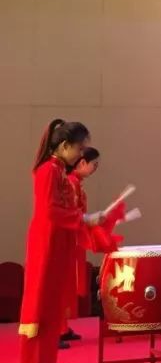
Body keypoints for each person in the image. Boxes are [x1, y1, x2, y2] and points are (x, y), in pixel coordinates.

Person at [19, 120, 91, 363]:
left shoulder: (58, 170)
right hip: (46, 243)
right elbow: (50, 210)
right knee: (41, 304)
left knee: (52, 304)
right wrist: (82, 219)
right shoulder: (48, 171)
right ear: (64, 145)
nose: (81, 154)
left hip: (56, 242)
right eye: (79, 148)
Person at [61, 147, 101, 344]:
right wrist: (88, 219)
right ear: (83, 162)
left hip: (74, 239)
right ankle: (57, 329)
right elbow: (71, 213)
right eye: (94, 164)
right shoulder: (70, 182)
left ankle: (62, 327)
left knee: (69, 285)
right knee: (63, 284)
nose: (95, 169)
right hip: (67, 240)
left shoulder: (75, 183)